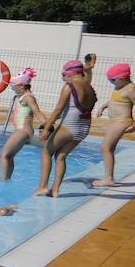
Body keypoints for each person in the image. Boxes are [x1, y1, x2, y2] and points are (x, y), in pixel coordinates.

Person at [36, 58, 99, 197]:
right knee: (61, 156)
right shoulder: (89, 87)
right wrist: (90, 68)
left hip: (70, 126)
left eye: (63, 75)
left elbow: (58, 110)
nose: (63, 79)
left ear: (70, 74)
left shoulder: (69, 87)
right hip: (84, 129)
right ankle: (56, 190)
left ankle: (43, 187)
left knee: (47, 151)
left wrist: (46, 128)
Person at [94, 63, 135, 188]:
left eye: (113, 80)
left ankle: (108, 179)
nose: (111, 82)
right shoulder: (119, 86)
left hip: (122, 121)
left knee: (105, 148)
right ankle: (109, 177)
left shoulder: (130, 89)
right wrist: (104, 106)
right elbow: (115, 100)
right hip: (115, 121)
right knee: (109, 149)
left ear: (123, 77)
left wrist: (134, 125)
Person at [0, 68, 42, 180]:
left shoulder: (28, 97)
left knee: (3, 155)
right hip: (23, 130)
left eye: (14, 85)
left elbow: (37, 112)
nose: (12, 87)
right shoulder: (23, 96)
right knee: (9, 156)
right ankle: (8, 180)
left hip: (23, 130)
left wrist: (48, 126)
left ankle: (3, 181)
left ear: (22, 86)